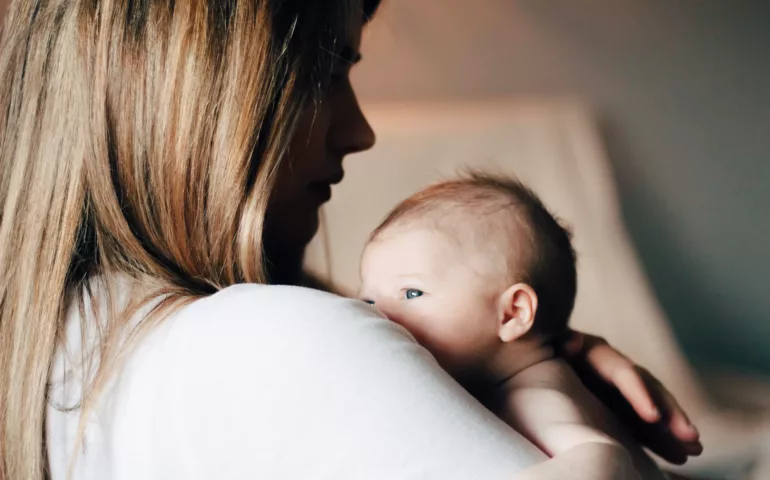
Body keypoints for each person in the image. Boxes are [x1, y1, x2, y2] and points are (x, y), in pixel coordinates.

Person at [0, 0, 701, 479]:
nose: (360, 130)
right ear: (196, 94)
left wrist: (544, 357)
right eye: (329, 71)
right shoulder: (272, 339)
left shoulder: (53, 348)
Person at [359, 173, 667, 479]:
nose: (379, 314)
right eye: (369, 301)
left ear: (512, 313)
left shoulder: (532, 396)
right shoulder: (519, 379)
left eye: (412, 293)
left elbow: (603, 456)